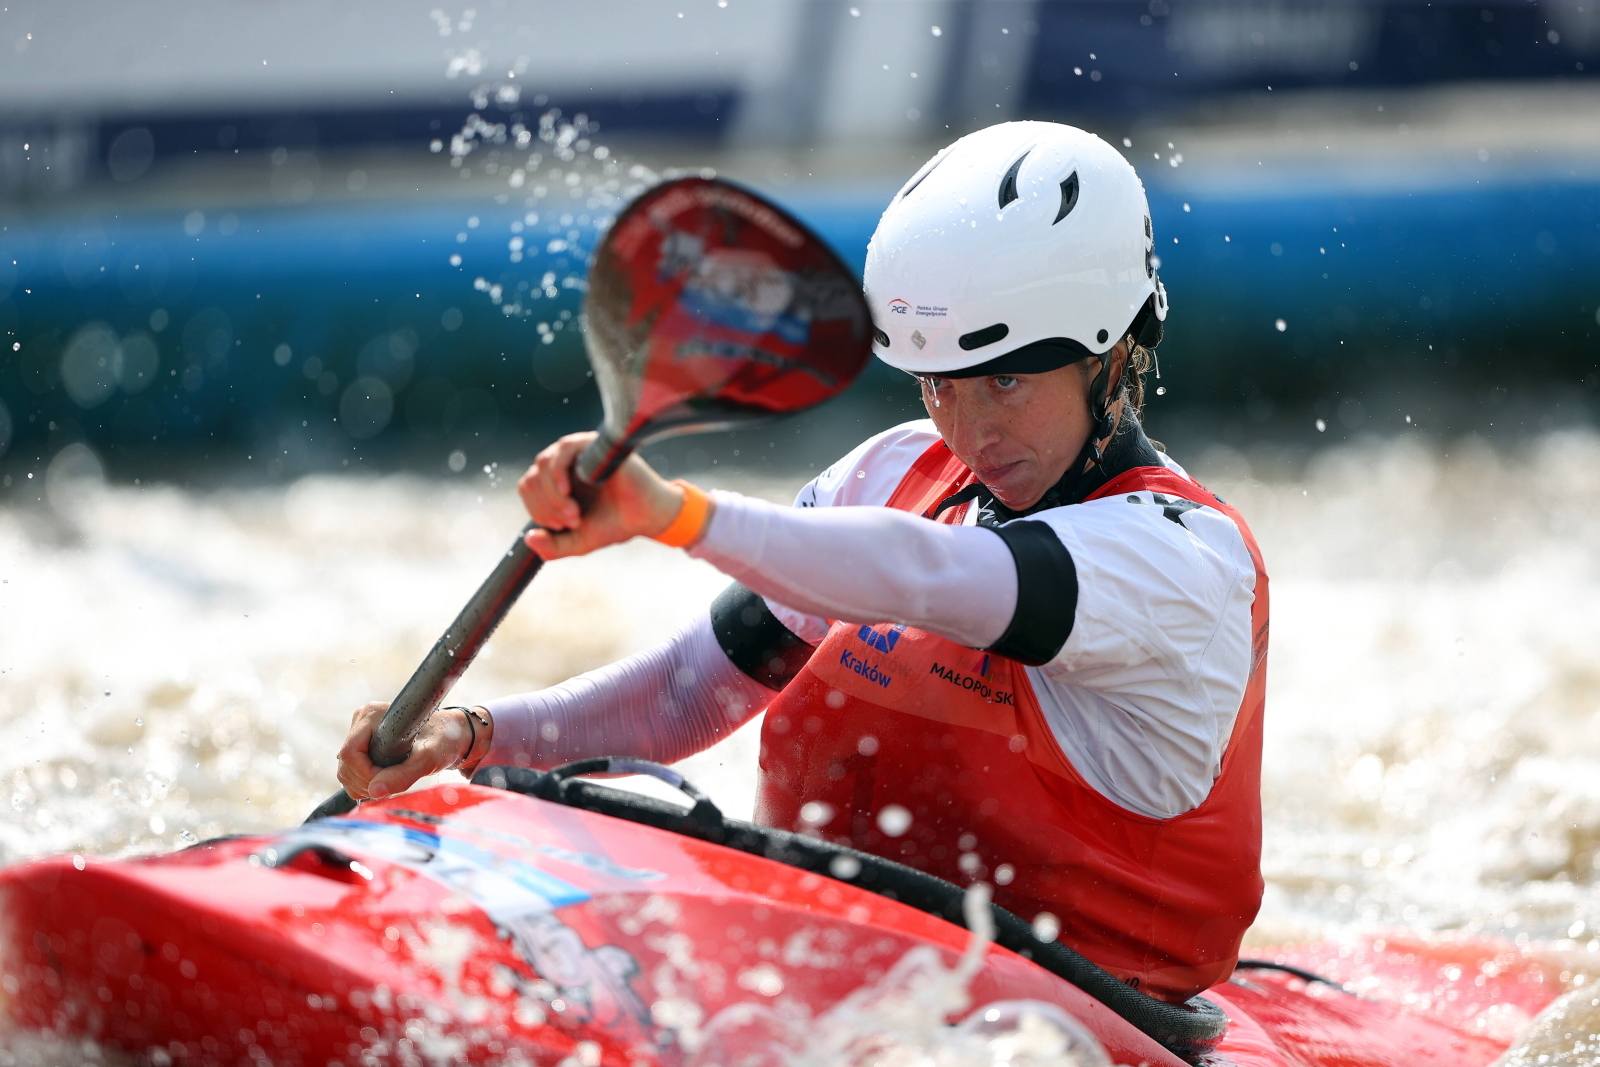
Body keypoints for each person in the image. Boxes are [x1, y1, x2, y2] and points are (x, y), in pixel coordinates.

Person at [337, 121, 1269, 1004]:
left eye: (1008, 379)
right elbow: (686, 691)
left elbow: (934, 576)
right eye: (939, 382)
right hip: (817, 970)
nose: (970, 426)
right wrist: (469, 736)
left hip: (1080, 1020)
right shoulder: (899, 469)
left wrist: (673, 514)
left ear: (1111, 355)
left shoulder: (1181, 560)